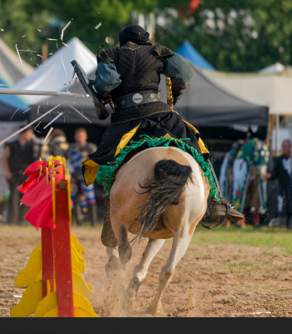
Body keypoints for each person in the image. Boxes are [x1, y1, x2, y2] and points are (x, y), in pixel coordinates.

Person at [82, 24, 243, 246]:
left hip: (126, 120)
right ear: (145, 41)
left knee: (107, 161)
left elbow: (107, 83)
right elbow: (184, 76)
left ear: (123, 41)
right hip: (160, 115)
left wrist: (99, 92)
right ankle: (217, 199)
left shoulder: (110, 54)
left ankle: (111, 217)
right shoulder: (158, 51)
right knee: (196, 147)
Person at [2, 127, 39, 225]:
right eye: (29, 133)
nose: (31, 136)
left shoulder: (33, 146)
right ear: (23, 133)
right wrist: (8, 172)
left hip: (27, 175)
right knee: (13, 198)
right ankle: (12, 221)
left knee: (26, 198)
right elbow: (5, 159)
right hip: (14, 174)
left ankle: (23, 221)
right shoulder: (11, 145)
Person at [267, 139, 292, 228]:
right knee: (283, 204)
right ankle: (283, 224)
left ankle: (291, 225)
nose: (285, 148)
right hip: (283, 185)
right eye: (283, 146)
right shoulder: (279, 159)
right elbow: (275, 172)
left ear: (290, 147)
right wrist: (270, 175)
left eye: (287, 146)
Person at [68, 128, 98, 226]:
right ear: (75, 137)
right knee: (72, 197)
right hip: (74, 176)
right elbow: (66, 160)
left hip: (87, 176)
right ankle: (76, 222)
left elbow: (95, 161)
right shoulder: (71, 148)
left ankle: (93, 222)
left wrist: (85, 171)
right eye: (77, 135)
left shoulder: (91, 148)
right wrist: (72, 171)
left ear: (86, 137)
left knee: (90, 197)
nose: (79, 137)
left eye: (81, 135)